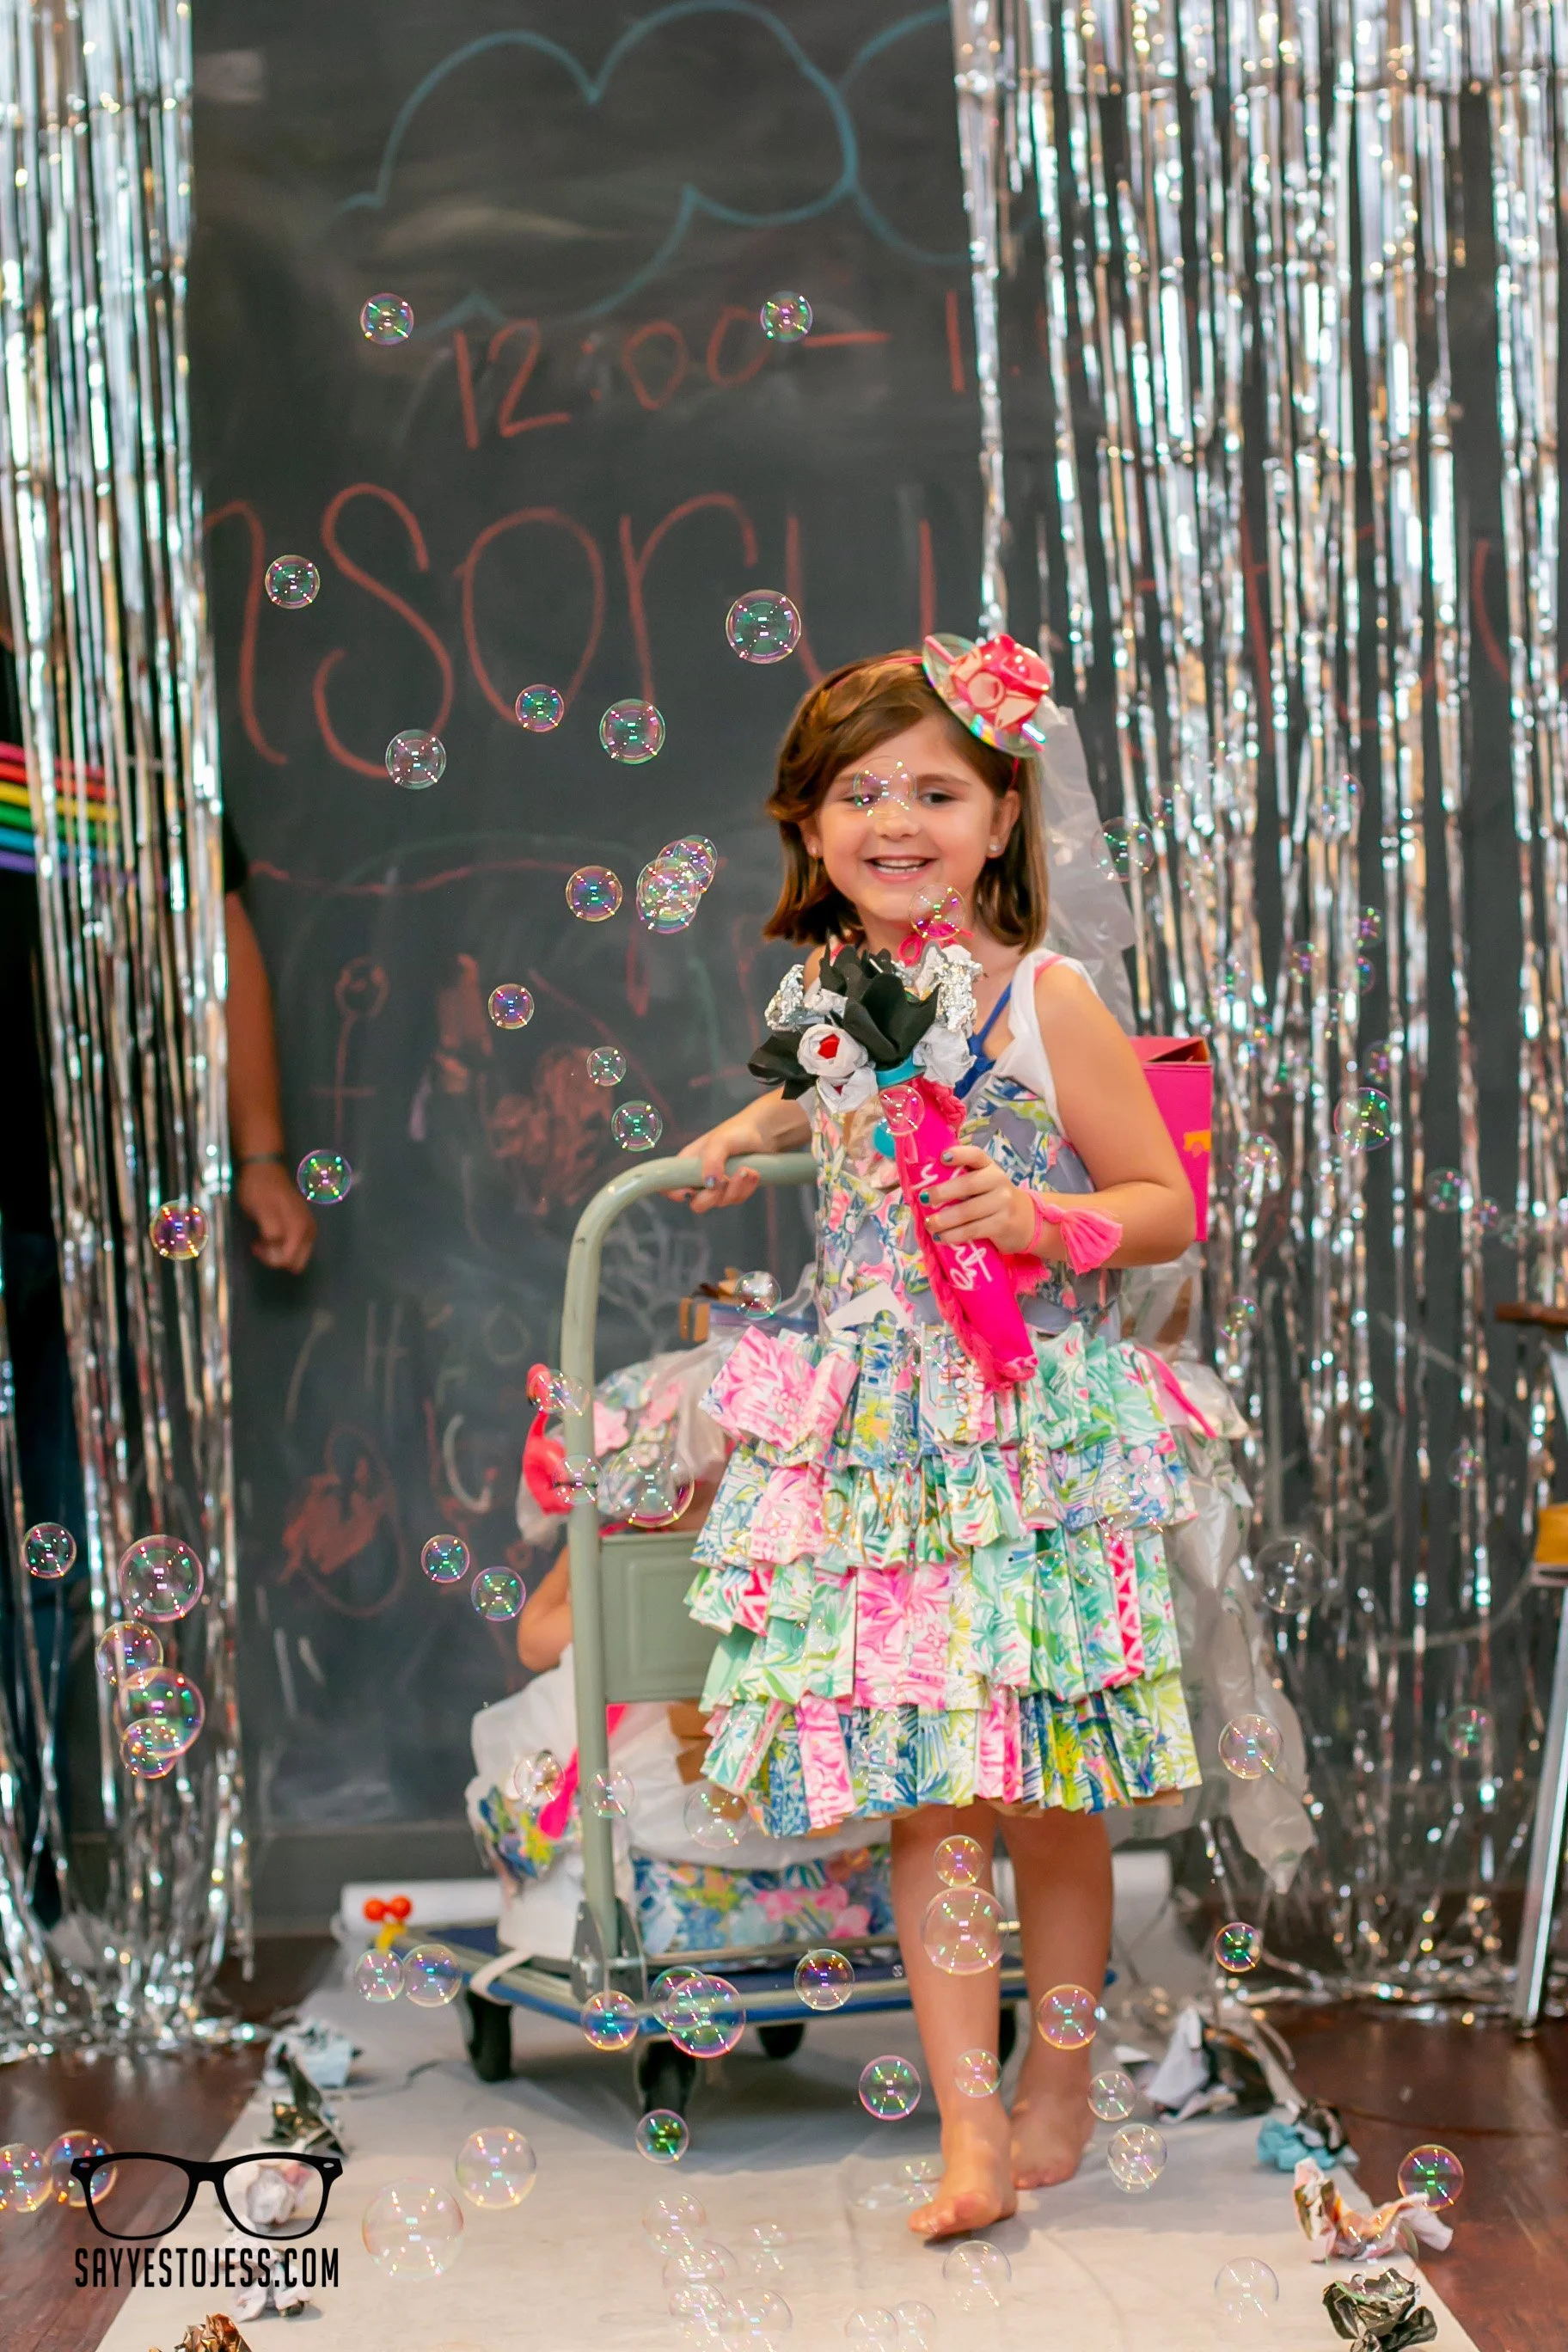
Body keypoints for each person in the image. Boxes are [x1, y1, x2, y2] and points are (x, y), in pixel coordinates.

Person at [673, 640, 1203, 2241]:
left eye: (934, 789)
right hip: (882, 1440)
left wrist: (1046, 1219)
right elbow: (823, 1095)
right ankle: (967, 2128)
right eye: (860, 790)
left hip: (1027, 1432)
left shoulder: (1049, 999)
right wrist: (743, 1128)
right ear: (811, 822)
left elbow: (1167, 1206)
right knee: (929, 1790)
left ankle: (1057, 2079)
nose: (894, 817)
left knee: (1047, 1789)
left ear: (997, 816)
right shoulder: (820, 992)